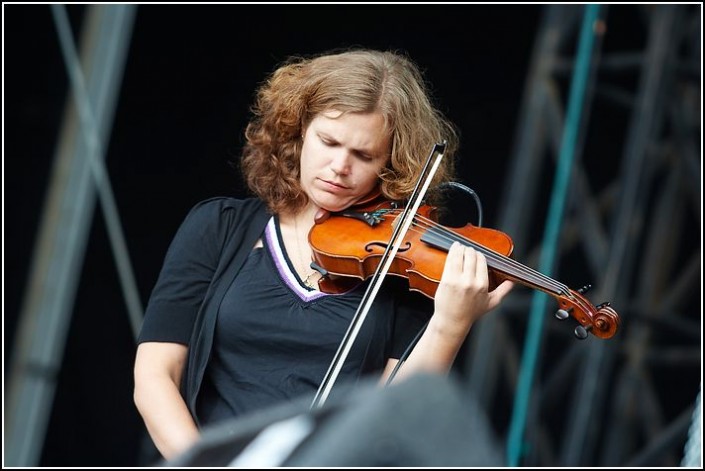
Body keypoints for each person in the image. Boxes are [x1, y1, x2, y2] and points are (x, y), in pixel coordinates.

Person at [133, 48, 514, 460]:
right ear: (298, 131)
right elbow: (155, 376)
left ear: (391, 164)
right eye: (328, 142)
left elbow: (392, 416)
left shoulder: (402, 266)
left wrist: (451, 323)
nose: (339, 167)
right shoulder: (218, 226)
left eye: (364, 155)